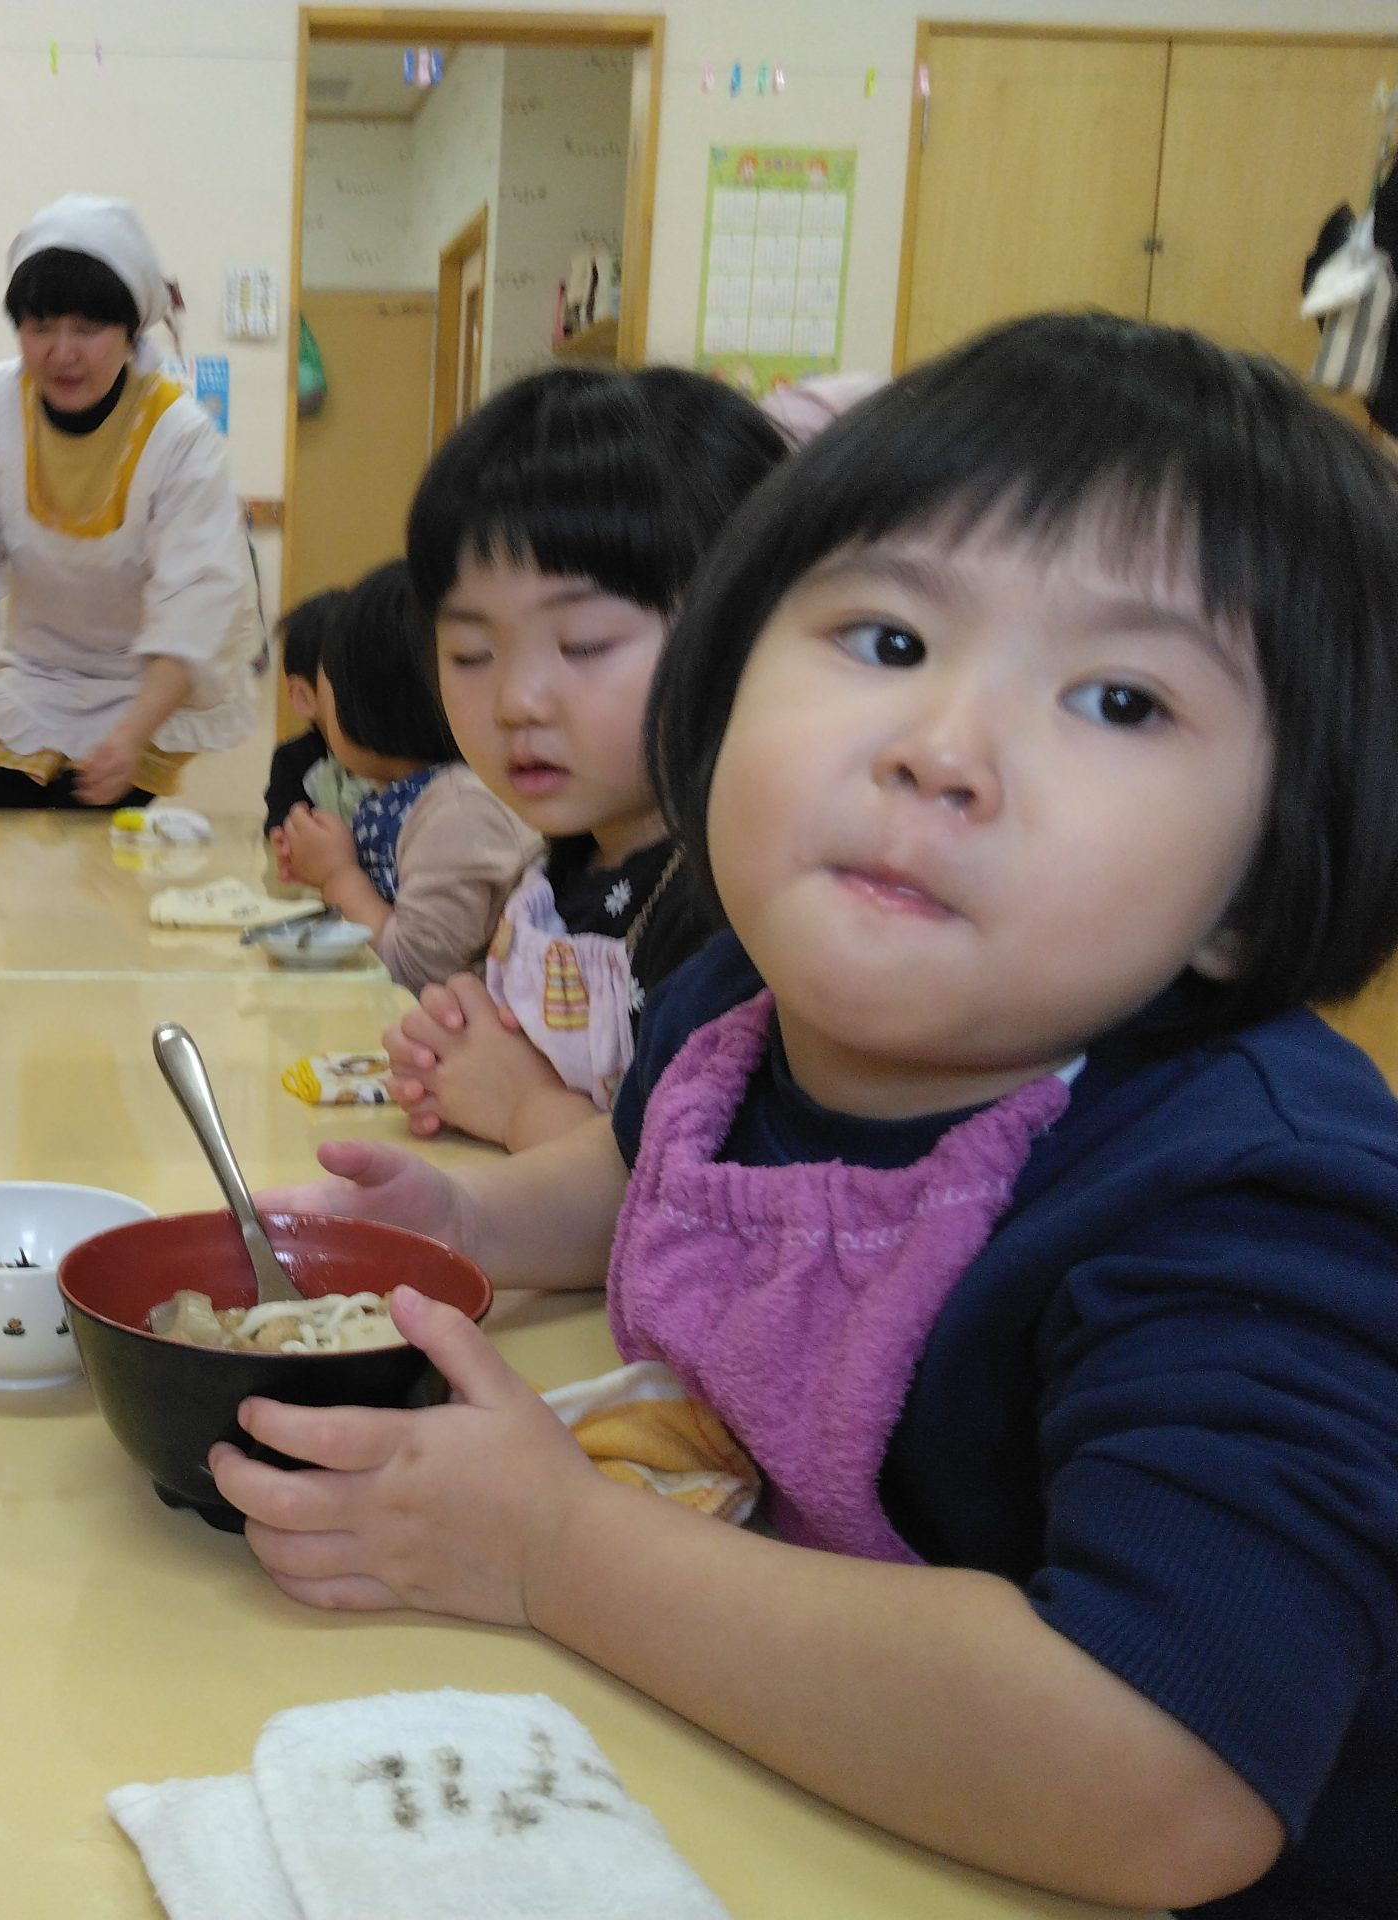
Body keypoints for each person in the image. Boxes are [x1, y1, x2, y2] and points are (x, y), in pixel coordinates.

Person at [224, 315, 1398, 1919]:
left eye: (1121, 701)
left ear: (1258, 888)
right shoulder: (743, 1005)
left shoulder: (1254, 1193)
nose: (942, 754)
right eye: (892, 644)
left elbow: (1165, 1773)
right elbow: (651, 1172)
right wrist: (482, 1229)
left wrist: (555, 1555)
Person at [383, 369, 785, 1148]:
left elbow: (688, 1201)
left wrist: (519, 1106)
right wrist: (456, 1050)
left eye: (584, 645)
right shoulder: (565, 863)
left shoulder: (734, 915)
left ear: (742, 629)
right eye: (471, 652)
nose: (516, 701)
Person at [0, 193, 262, 808]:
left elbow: (196, 603)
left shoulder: (178, 435)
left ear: (130, 332)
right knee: (3, 846)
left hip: (145, 689)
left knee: (106, 870)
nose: (62, 353)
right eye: (40, 328)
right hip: (34, 678)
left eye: (87, 329)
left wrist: (131, 737)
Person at [271, 563, 536, 993]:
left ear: (368, 702)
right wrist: (318, 866)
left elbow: (416, 976)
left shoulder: (459, 809)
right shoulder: (404, 798)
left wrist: (338, 874)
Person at [261, 587, 366, 833]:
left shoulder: (409, 768)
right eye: (354, 676)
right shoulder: (294, 763)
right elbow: (281, 849)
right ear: (304, 697)